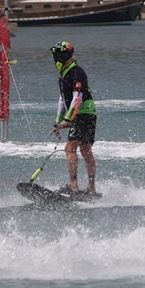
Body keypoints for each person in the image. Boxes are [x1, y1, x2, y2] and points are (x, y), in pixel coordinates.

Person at [50, 41, 98, 194]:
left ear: (69, 55)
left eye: (61, 55)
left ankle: (75, 187)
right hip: (80, 113)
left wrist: (67, 120)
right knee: (85, 149)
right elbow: (62, 99)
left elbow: (77, 98)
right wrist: (58, 121)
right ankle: (91, 189)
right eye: (55, 55)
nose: (58, 58)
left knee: (70, 147)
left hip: (84, 112)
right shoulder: (63, 74)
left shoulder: (77, 72)